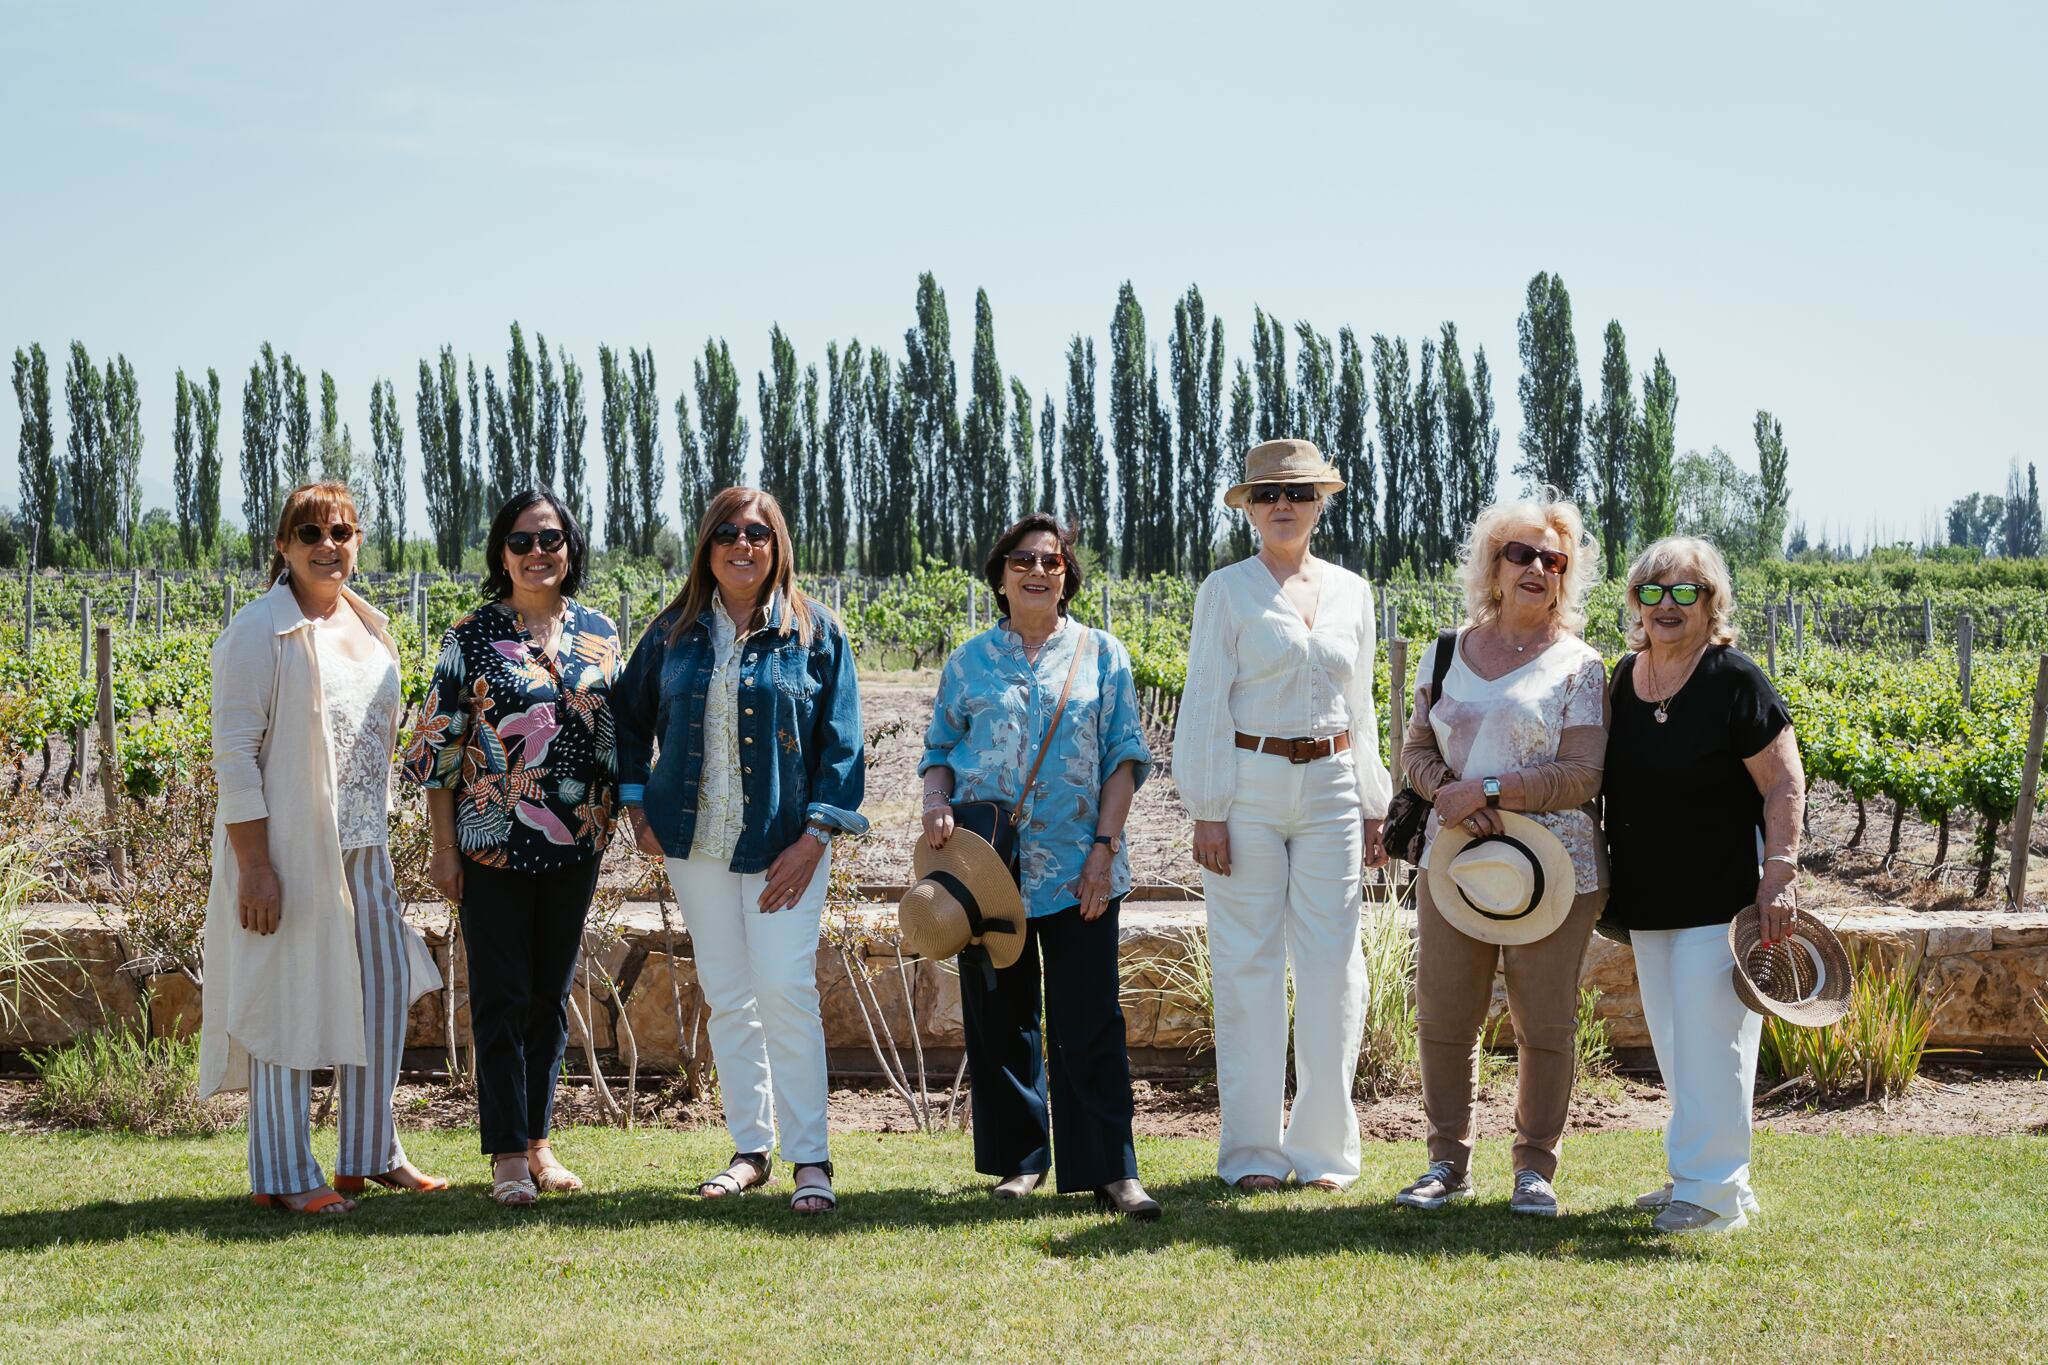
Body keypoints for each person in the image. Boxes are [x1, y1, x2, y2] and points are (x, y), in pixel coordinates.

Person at [615, 487, 866, 1216]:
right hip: (694, 843)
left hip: (784, 845)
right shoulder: (673, 631)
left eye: (757, 532)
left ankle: (809, 1157)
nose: (742, 543)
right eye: (727, 531)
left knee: (785, 989)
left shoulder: (816, 632)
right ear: (707, 545)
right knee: (727, 995)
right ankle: (750, 1148)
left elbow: (842, 744)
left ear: (777, 543)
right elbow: (628, 718)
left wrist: (815, 838)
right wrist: (638, 806)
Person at [201, 480, 445, 1215]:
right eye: (309, 533)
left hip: (366, 846)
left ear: (358, 539)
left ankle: (370, 1152)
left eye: (341, 531)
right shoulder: (258, 630)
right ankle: (281, 1171)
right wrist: (255, 866)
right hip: (288, 852)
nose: (327, 545)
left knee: (377, 994)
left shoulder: (369, 625)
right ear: (283, 547)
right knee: (287, 1001)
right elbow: (235, 757)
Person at [921, 514, 1159, 1219]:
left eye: (1051, 561)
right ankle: (1019, 1161)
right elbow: (938, 751)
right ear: (998, 576)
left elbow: (1124, 758)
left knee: (1089, 1017)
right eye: (1021, 559)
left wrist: (1103, 850)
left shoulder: (1102, 654)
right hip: (985, 867)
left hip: (1080, 868)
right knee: (1002, 1017)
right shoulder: (967, 663)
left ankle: (1111, 1169)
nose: (1036, 570)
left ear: (1067, 576)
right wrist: (936, 800)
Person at [1174, 438, 1393, 1192]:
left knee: (1335, 969)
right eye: (1268, 493)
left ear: (1320, 502)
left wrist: (1372, 802)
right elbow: (1204, 699)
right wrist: (1207, 809)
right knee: (1248, 968)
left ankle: (1326, 1154)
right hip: (1249, 786)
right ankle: (1253, 1156)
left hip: (1333, 785)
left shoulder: (1353, 592)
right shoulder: (1225, 591)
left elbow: (1361, 707)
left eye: (1297, 492)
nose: (1283, 505)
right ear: (1250, 508)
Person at [1391, 490, 1609, 1217]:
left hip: (1557, 866)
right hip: (1456, 859)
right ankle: (1446, 1162)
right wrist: (1448, 792)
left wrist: (1486, 788)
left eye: (1554, 558)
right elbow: (1416, 749)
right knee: (1445, 1013)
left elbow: (1583, 774)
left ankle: (1535, 1168)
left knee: (1542, 1020)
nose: (1538, 568)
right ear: (1493, 564)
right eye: (1522, 553)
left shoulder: (1581, 666)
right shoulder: (1446, 650)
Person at [403, 488, 623, 1206]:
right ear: (501, 552)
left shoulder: (600, 634)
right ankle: (504, 1153)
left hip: (576, 842)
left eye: (552, 539)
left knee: (551, 999)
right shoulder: (469, 635)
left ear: (571, 548)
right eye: (523, 540)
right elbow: (438, 749)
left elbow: (620, 734)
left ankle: (539, 1142)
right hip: (490, 840)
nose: (539, 552)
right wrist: (442, 850)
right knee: (502, 996)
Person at [1604, 536, 1801, 1234]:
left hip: (1719, 901)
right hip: (1648, 901)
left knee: (1715, 1041)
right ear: (1634, 601)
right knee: (1677, 1042)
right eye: (1652, 591)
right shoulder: (1624, 679)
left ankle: (1714, 1194)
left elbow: (1782, 780)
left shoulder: (1732, 679)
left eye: (1685, 592)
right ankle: (1703, 1178)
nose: (1666, 605)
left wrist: (1779, 874)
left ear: (1711, 602)